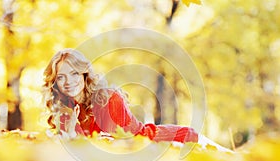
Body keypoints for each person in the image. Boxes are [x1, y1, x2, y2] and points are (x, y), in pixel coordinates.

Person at [43, 48, 232, 152]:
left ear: (84, 75)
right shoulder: (64, 111)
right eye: (61, 77)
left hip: (178, 139)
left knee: (233, 159)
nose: (68, 82)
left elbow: (114, 146)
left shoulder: (108, 99)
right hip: (153, 154)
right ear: (55, 82)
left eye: (74, 73)